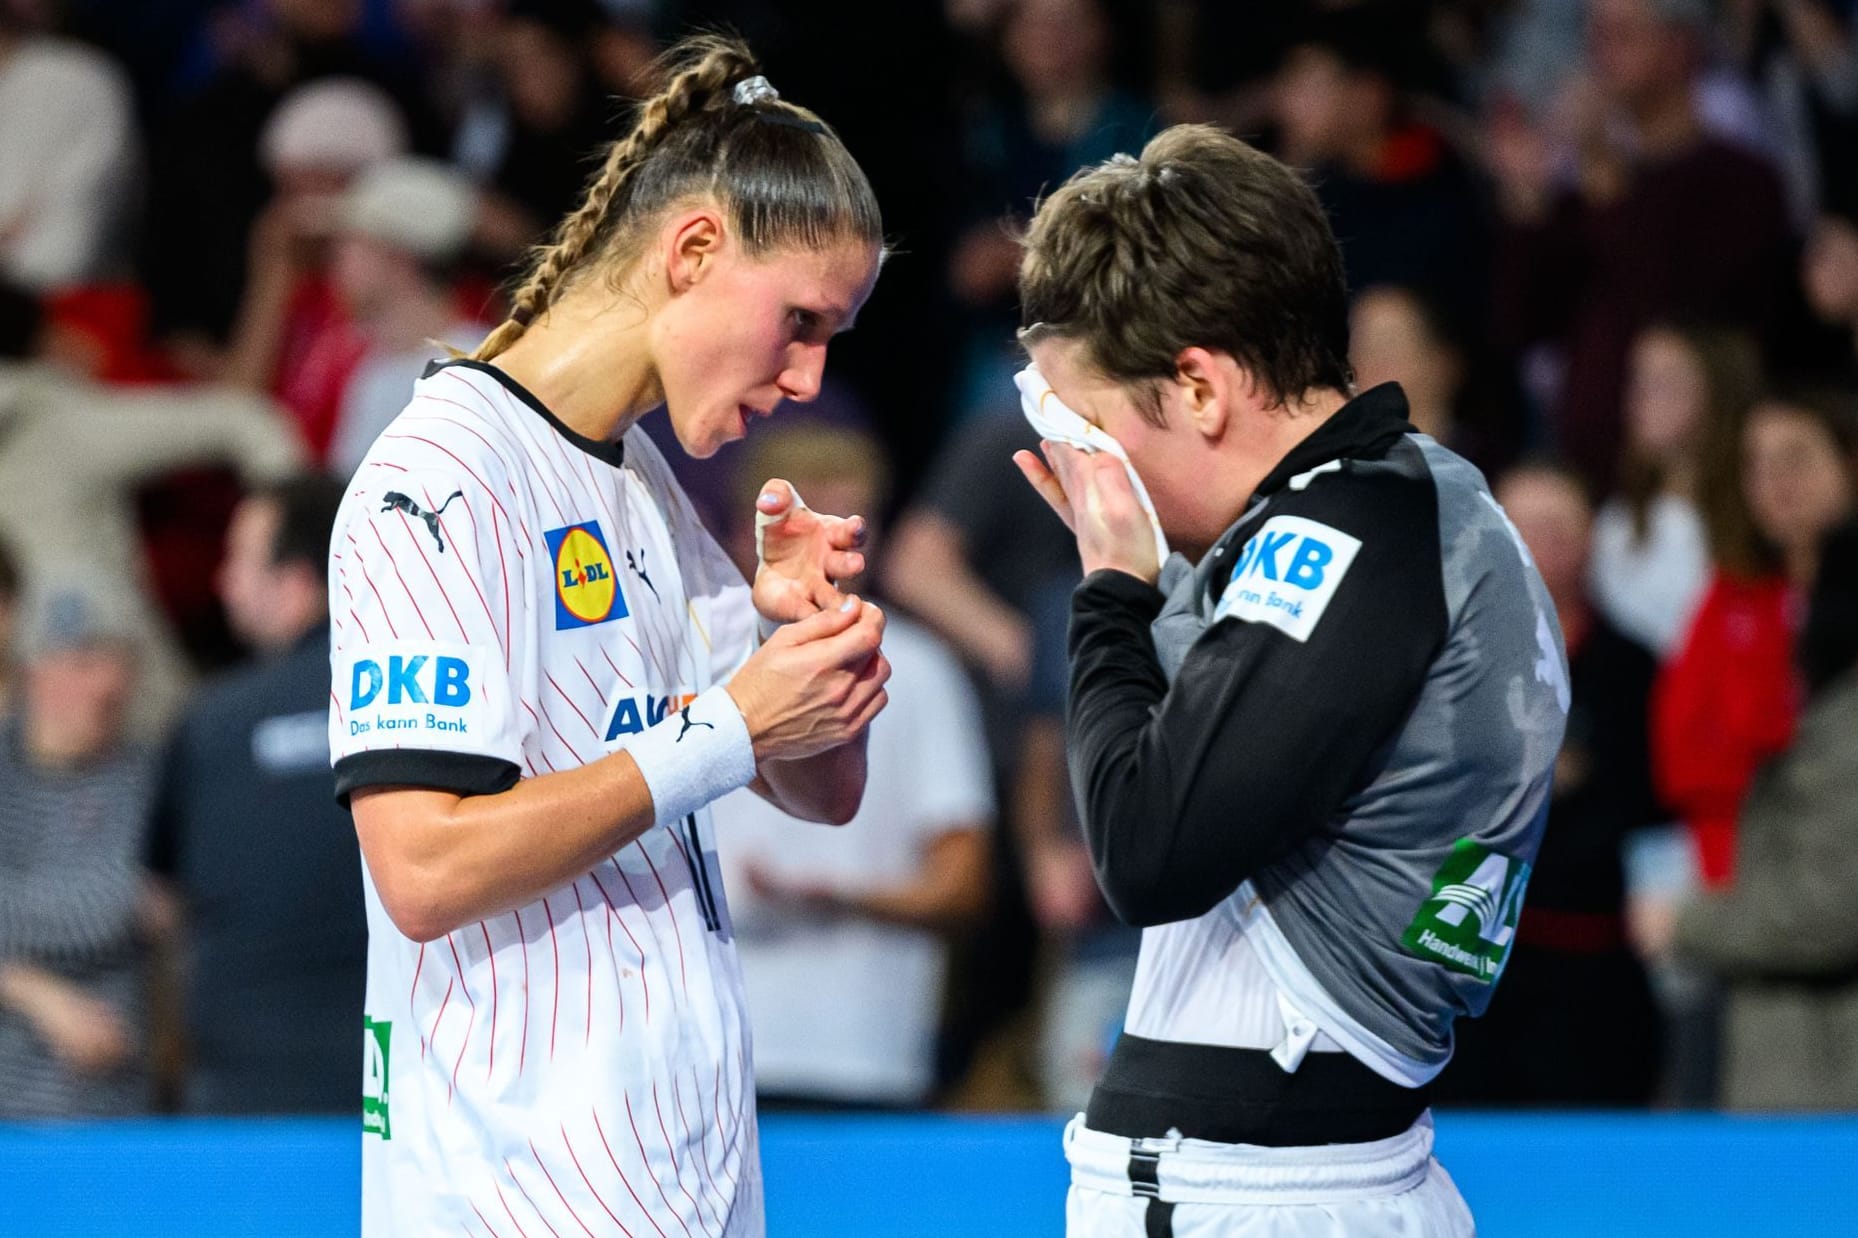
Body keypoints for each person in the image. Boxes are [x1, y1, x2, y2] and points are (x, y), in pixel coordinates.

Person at [328, 36, 890, 1236]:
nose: (807, 378)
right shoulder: (436, 475)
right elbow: (423, 867)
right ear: (691, 250)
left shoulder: (641, 482)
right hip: (507, 1193)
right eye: (799, 320)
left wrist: (806, 642)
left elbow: (819, 787)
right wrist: (730, 723)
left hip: (689, 1185)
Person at [1010, 125, 1567, 1236]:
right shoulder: (1391, 511)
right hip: (1299, 1175)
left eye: (1087, 421)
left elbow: (1143, 844)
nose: (1081, 461)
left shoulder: (1342, 534)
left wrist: (1112, 590)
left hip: (1261, 1194)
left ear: (1200, 387)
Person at [711, 423, 993, 1110]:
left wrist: (833, 895)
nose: (834, 560)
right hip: (712, 1050)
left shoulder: (920, 671)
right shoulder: (693, 652)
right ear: (750, 535)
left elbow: (962, 883)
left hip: (866, 1053)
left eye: (851, 535)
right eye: (808, 537)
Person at [1437, 463, 1664, 1107]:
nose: (1535, 542)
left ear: (1591, 537)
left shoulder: (1631, 667)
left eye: (1554, 526)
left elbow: (1643, 808)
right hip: (1462, 960)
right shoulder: (1443, 659)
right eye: (1518, 525)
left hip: (1589, 969)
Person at [147, 475, 366, 1113]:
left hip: (237, 1087)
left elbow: (159, 903)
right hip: (403, 1069)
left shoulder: (208, 721)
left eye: (237, 561)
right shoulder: (421, 701)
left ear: (296, 582)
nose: (222, 583)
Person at [1653, 518, 1858, 1109]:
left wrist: (1689, 925)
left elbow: (1829, 910)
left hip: (1823, 1080)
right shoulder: (1827, 715)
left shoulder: (1846, 731)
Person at [0, 589, 159, 1118]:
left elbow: (125, 900)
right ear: (35, 671)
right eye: (86, 662)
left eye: (119, 664)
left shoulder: (146, 779)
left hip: (111, 1106)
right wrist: (32, 990)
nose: (109, 684)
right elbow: (116, 904)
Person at [1589, 323, 1763, 659]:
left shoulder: (1759, 516)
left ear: (1719, 390)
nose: (1640, 397)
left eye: (1664, 381)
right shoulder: (1615, 525)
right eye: (1637, 379)